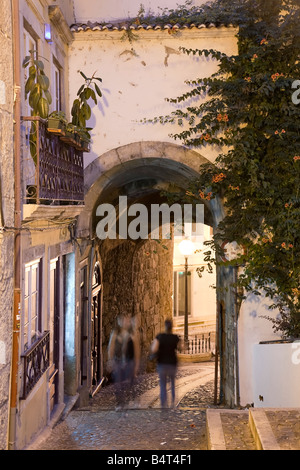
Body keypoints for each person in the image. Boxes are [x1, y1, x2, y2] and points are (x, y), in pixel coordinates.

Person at [150, 319, 181, 409]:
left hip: (162, 364)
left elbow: (154, 349)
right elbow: (181, 348)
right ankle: (173, 403)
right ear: (172, 327)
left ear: (164, 326)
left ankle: (164, 404)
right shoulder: (175, 337)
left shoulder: (160, 337)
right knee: (172, 383)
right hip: (172, 363)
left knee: (163, 384)